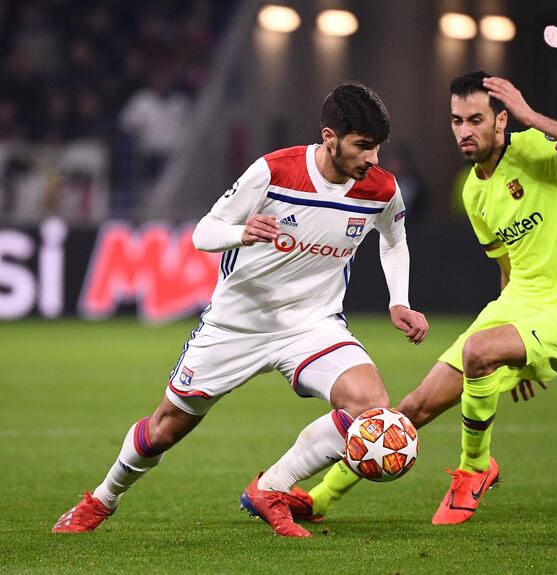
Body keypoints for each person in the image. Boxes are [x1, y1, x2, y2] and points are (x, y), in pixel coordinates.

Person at [51, 82, 429, 538]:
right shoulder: (274, 171)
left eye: (377, 148)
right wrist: (241, 233)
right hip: (237, 325)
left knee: (370, 405)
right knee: (166, 428)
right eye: (363, 146)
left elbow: (395, 239)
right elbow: (203, 233)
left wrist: (400, 301)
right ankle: (101, 499)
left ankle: (271, 488)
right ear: (330, 137)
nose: (373, 158)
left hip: (312, 323)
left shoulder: (381, 188)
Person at [294, 71, 557, 525]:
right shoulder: (473, 190)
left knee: (478, 350)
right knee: (411, 409)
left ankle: (474, 469)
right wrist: (517, 348)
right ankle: (319, 499)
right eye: (456, 120)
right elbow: (507, 268)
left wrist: (532, 117)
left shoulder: (535, 151)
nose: (464, 131)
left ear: (501, 121)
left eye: (475, 119)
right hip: (520, 308)